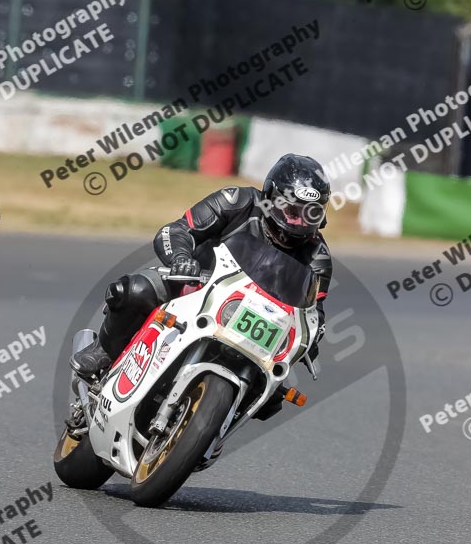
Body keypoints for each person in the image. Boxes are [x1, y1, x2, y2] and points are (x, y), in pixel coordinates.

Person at [71, 154, 333, 400]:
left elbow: (313, 313)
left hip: (257, 323)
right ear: (270, 197)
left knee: (272, 394)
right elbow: (177, 230)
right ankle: (104, 351)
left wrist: (312, 338)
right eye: (292, 212)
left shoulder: (318, 256)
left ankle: (220, 420)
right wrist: (181, 259)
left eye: (310, 214)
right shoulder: (237, 201)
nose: (300, 223)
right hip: (196, 288)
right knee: (136, 290)